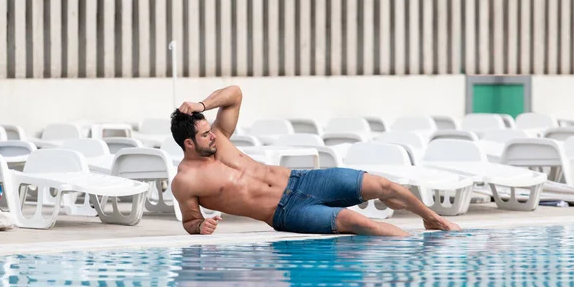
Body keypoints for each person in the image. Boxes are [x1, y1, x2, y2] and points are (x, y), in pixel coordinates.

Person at [170, 85, 461, 236]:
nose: (212, 136)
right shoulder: (185, 182)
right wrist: (200, 226)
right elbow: (190, 220)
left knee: (382, 185)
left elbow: (235, 93)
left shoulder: (219, 135)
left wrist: (202, 105)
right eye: (205, 134)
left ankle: (433, 220)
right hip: (285, 212)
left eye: (209, 130)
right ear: (188, 143)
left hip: (302, 179)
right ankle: (411, 250)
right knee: (353, 220)